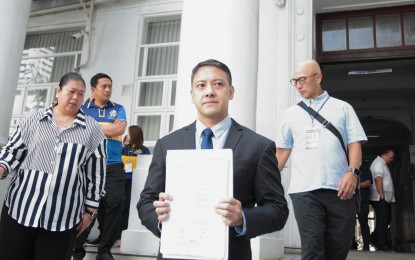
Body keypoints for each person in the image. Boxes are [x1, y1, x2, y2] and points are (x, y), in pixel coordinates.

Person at [137, 59, 289, 260]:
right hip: (175, 252)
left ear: (231, 92)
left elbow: (278, 210)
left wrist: (242, 218)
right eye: (201, 85)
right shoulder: (167, 144)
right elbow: (146, 201)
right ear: (192, 95)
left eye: (218, 84)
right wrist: (159, 218)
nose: (209, 91)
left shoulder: (258, 147)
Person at [0, 72, 107, 260]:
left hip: (63, 218)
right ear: (58, 91)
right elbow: (13, 151)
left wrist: (90, 212)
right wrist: (2, 167)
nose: (75, 97)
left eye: (81, 94)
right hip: (20, 208)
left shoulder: (92, 130)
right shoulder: (34, 119)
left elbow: (96, 175)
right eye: (71, 91)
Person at [276, 59, 367, 260]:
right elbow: (282, 152)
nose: (298, 85)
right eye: (294, 81)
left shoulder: (343, 108)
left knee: (338, 249)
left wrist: (353, 173)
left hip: (340, 190)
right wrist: (267, 185)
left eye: (302, 79)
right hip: (304, 191)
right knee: (313, 250)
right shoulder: (290, 114)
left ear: (318, 77)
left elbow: (355, 144)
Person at [73, 73, 127, 260]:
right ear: (93, 89)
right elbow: (78, 128)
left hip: (113, 164)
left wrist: (92, 127)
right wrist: (105, 128)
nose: (108, 90)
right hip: (88, 164)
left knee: (115, 203)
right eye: (104, 86)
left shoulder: (118, 108)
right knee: (83, 205)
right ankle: (77, 249)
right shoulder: (82, 108)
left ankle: (104, 250)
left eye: (110, 86)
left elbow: (119, 129)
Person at [115, 125, 150, 247]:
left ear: (135, 134)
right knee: (116, 208)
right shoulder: (124, 148)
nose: (127, 135)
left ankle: (121, 236)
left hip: (134, 183)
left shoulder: (144, 150)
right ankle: (112, 235)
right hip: (120, 181)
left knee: (126, 210)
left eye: (129, 133)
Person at [369, 148, 395, 251]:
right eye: (391, 157)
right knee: (383, 220)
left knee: (386, 219)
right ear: (385, 155)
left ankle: (374, 238)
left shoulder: (382, 164)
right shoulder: (379, 163)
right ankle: (381, 243)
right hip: (380, 197)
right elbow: (378, 179)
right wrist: (382, 195)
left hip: (382, 197)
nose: (392, 160)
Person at [351, 165, 373, 251]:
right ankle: (351, 245)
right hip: (350, 200)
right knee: (350, 224)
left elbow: (368, 182)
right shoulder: (348, 169)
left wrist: (355, 185)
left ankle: (366, 246)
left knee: (363, 222)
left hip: (363, 200)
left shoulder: (366, 169)